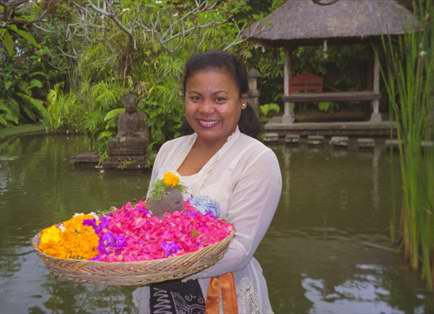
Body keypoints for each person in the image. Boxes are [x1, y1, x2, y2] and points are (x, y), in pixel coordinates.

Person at [133, 51, 282, 314]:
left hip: (222, 297)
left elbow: (239, 250)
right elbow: (148, 218)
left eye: (220, 99)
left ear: (242, 101)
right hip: (161, 295)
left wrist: (154, 264)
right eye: (195, 98)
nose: (205, 109)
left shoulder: (257, 159)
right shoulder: (169, 150)